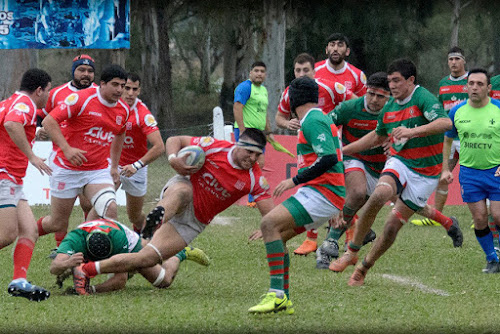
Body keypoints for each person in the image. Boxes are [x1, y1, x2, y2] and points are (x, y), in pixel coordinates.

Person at [70, 129, 275, 296]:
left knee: (152, 267)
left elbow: (271, 214)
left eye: (258, 154)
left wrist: (266, 228)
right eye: (250, 152)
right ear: (239, 145)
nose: (253, 158)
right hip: (181, 190)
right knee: (184, 191)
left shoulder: (255, 178)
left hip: (194, 222)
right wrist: (173, 159)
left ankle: (174, 255)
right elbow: (175, 139)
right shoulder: (213, 146)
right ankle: (153, 225)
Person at [330, 59, 462, 286]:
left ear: (411, 81)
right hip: (400, 162)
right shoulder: (389, 107)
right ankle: (352, 252)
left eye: (396, 80)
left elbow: (444, 123)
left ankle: (364, 268)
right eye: (390, 81)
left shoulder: (423, 97)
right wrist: (343, 151)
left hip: (425, 174)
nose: (391, 85)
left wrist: (412, 132)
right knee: (380, 194)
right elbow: (377, 137)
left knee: (391, 227)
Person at [248, 76, 345, 314]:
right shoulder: (314, 119)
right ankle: (284, 300)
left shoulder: (313, 120)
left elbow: (329, 158)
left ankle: (277, 294)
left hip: (321, 193)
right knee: (277, 236)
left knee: (269, 222)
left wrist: (293, 180)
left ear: (292, 99)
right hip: (324, 194)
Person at [37, 65, 130, 243]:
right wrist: (67, 149)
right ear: (102, 84)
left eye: (122, 86)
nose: (119, 90)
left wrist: (114, 166)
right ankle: (27, 232)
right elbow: (49, 121)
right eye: (115, 85)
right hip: (67, 167)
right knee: (57, 223)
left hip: (97, 170)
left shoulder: (123, 110)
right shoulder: (80, 99)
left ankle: (111, 263)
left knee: (109, 210)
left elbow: (120, 134)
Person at [313, 72, 390, 269]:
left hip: (381, 167)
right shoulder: (350, 108)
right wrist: (330, 153)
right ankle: (329, 242)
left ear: (389, 97)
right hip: (352, 158)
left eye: (380, 96)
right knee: (356, 192)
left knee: (359, 206)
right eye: (370, 94)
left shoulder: (395, 111)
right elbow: (324, 127)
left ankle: (350, 237)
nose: (374, 100)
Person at [0, 68, 53, 301]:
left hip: (11, 177)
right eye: (48, 90)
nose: (48, 96)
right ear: (39, 90)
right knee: (7, 234)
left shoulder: (12, 100)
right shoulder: (26, 103)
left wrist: (34, 132)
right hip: (4, 173)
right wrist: (32, 155)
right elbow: (12, 124)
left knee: (29, 230)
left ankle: (19, 280)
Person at [50, 218, 209, 294]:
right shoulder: (74, 239)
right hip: (103, 233)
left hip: (128, 242)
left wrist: (91, 290)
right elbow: (54, 268)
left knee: (163, 280)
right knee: (73, 267)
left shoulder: (119, 242)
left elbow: (120, 281)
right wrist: (67, 263)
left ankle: (181, 252)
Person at [441, 68, 500, 273]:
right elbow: (447, 141)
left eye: (480, 84)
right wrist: (445, 169)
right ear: (466, 87)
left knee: (498, 215)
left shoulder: (498, 109)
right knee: (480, 219)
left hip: (496, 172)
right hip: (470, 174)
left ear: (489, 88)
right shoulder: (457, 111)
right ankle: (492, 259)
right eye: (471, 84)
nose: (474, 87)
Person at [37, 54, 98, 246]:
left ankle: (85, 244)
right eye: (81, 70)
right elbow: (41, 116)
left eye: (90, 71)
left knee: (89, 203)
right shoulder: (56, 93)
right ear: (73, 71)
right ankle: (59, 246)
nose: (85, 74)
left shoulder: (101, 94)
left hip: (92, 160)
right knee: (61, 215)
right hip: (63, 159)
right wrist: (39, 130)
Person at [411, 47, 468, 226]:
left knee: (474, 175)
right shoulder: (443, 83)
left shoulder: (472, 81)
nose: (453, 62)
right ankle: (435, 218)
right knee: (442, 175)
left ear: (464, 61)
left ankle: (482, 219)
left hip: (468, 137)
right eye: (450, 59)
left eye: (457, 59)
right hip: (449, 138)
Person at [117, 73, 165, 234]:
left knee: (135, 216)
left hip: (135, 169)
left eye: (134, 89)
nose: (130, 93)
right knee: (102, 203)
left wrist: (136, 166)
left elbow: (159, 147)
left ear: (139, 91)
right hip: (112, 164)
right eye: (127, 88)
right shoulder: (110, 105)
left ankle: (144, 236)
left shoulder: (142, 114)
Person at [275, 52, 351, 132]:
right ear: (294, 72)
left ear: (314, 72)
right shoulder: (288, 92)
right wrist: (287, 123)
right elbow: (279, 118)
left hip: (330, 137)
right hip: (305, 138)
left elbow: (356, 103)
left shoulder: (330, 88)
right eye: (298, 70)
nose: (301, 75)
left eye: (306, 70)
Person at [233, 61, 273, 207]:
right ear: (250, 73)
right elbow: (237, 107)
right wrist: (242, 130)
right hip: (247, 132)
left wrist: (268, 131)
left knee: (258, 164)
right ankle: (247, 198)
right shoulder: (245, 87)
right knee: (249, 163)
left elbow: (264, 112)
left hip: (259, 133)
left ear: (265, 75)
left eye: (262, 71)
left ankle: (251, 199)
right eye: (256, 70)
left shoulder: (263, 90)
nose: (259, 74)